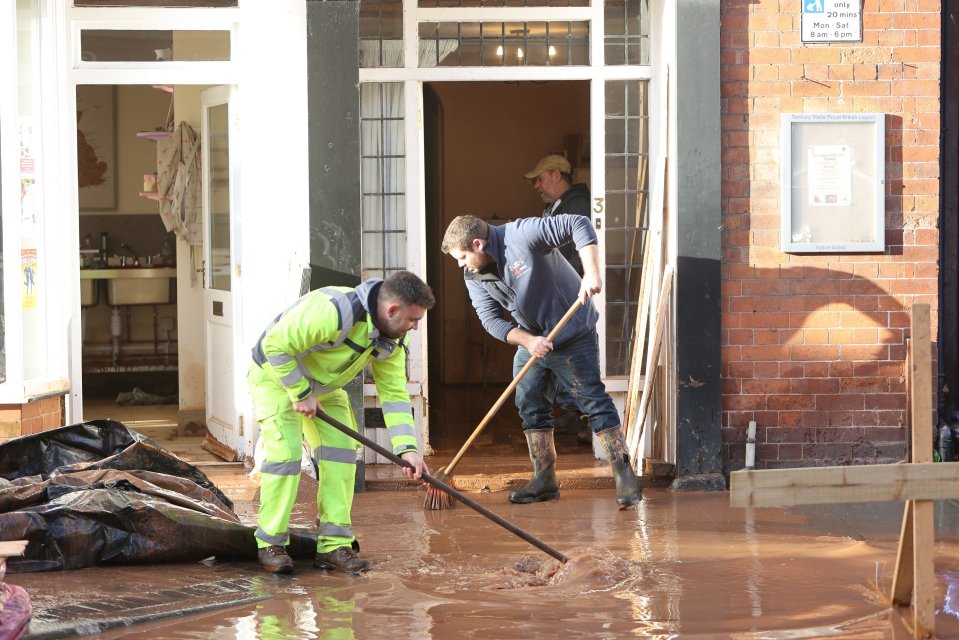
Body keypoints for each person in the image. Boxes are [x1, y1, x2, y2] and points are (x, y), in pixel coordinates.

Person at [441, 214, 642, 508]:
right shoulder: (473, 275)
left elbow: (579, 223)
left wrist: (592, 273)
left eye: (462, 257)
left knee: (592, 401)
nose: (461, 264)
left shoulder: (522, 235)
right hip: (534, 339)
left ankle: (625, 476)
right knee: (530, 403)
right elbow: (489, 319)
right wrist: (528, 341)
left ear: (478, 244)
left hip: (572, 332)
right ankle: (544, 478)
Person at [248, 270, 434, 574]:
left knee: (342, 456)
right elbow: (273, 347)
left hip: (322, 387)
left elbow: (395, 396)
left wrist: (408, 449)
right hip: (275, 377)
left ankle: (333, 546)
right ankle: (270, 543)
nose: (415, 327)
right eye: (413, 319)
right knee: (286, 458)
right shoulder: (334, 312)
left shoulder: (390, 342)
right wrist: (300, 392)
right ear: (391, 310)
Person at [524, 154, 592, 444]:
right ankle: (568, 411)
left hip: (570, 295)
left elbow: (569, 253)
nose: (536, 186)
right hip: (557, 295)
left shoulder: (576, 206)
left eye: (539, 179)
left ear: (556, 175)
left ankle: (581, 415)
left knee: (568, 353)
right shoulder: (554, 208)